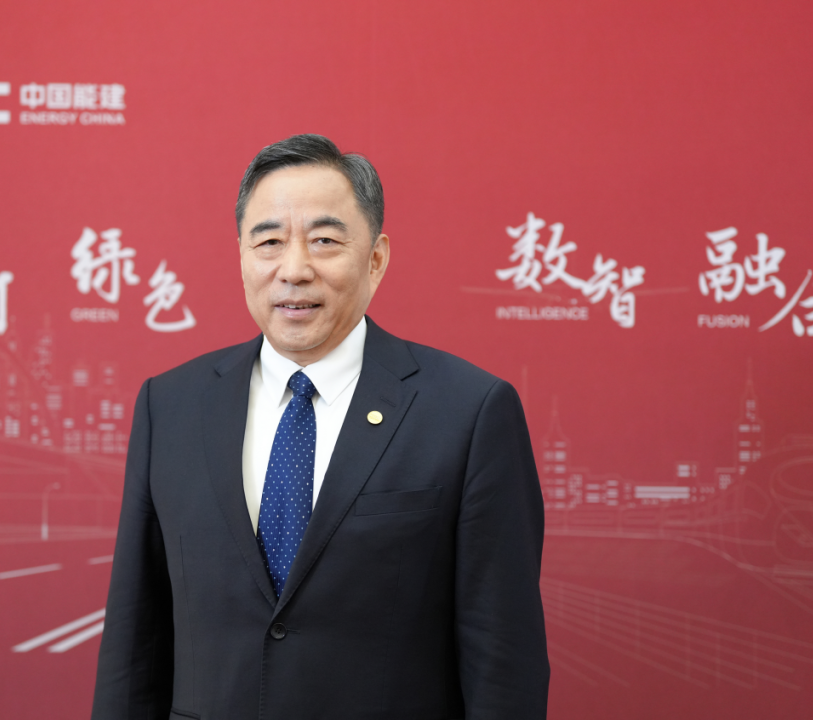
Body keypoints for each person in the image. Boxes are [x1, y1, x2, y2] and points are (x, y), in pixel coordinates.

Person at [91, 134, 549, 720]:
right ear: (241, 256)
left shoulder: (468, 411)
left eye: (325, 241)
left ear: (375, 258)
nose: (294, 270)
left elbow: (504, 661)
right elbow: (135, 644)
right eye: (269, 242)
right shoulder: (171, 406)